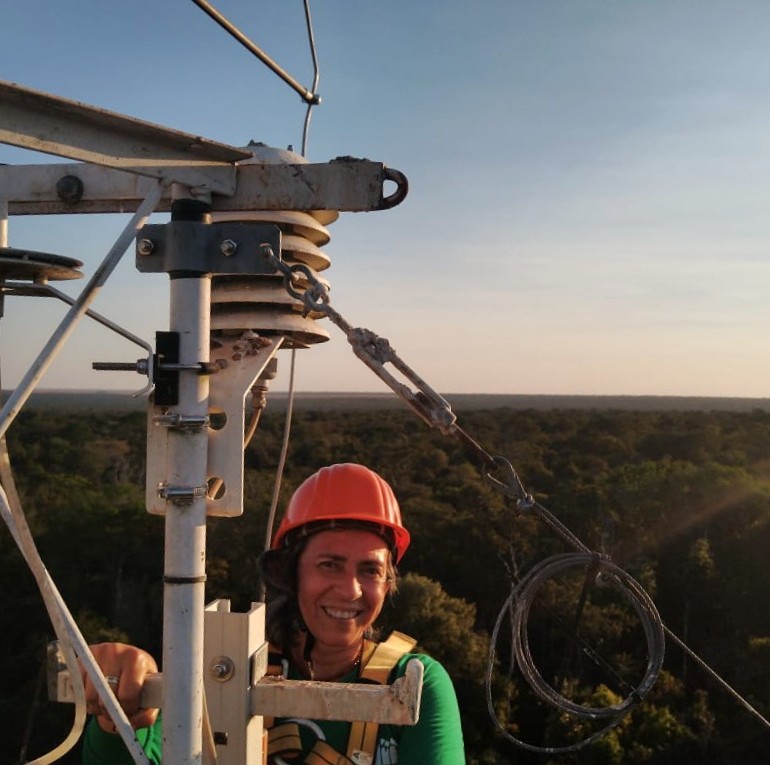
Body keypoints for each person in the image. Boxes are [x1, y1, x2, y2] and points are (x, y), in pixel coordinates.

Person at [81, 463, 465, 764]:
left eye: (370, 570)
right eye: (329, 565)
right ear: (291, 574)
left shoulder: (411, 683)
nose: (350, 590)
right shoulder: (226, 668)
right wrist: (120, 708)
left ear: (387, 583)